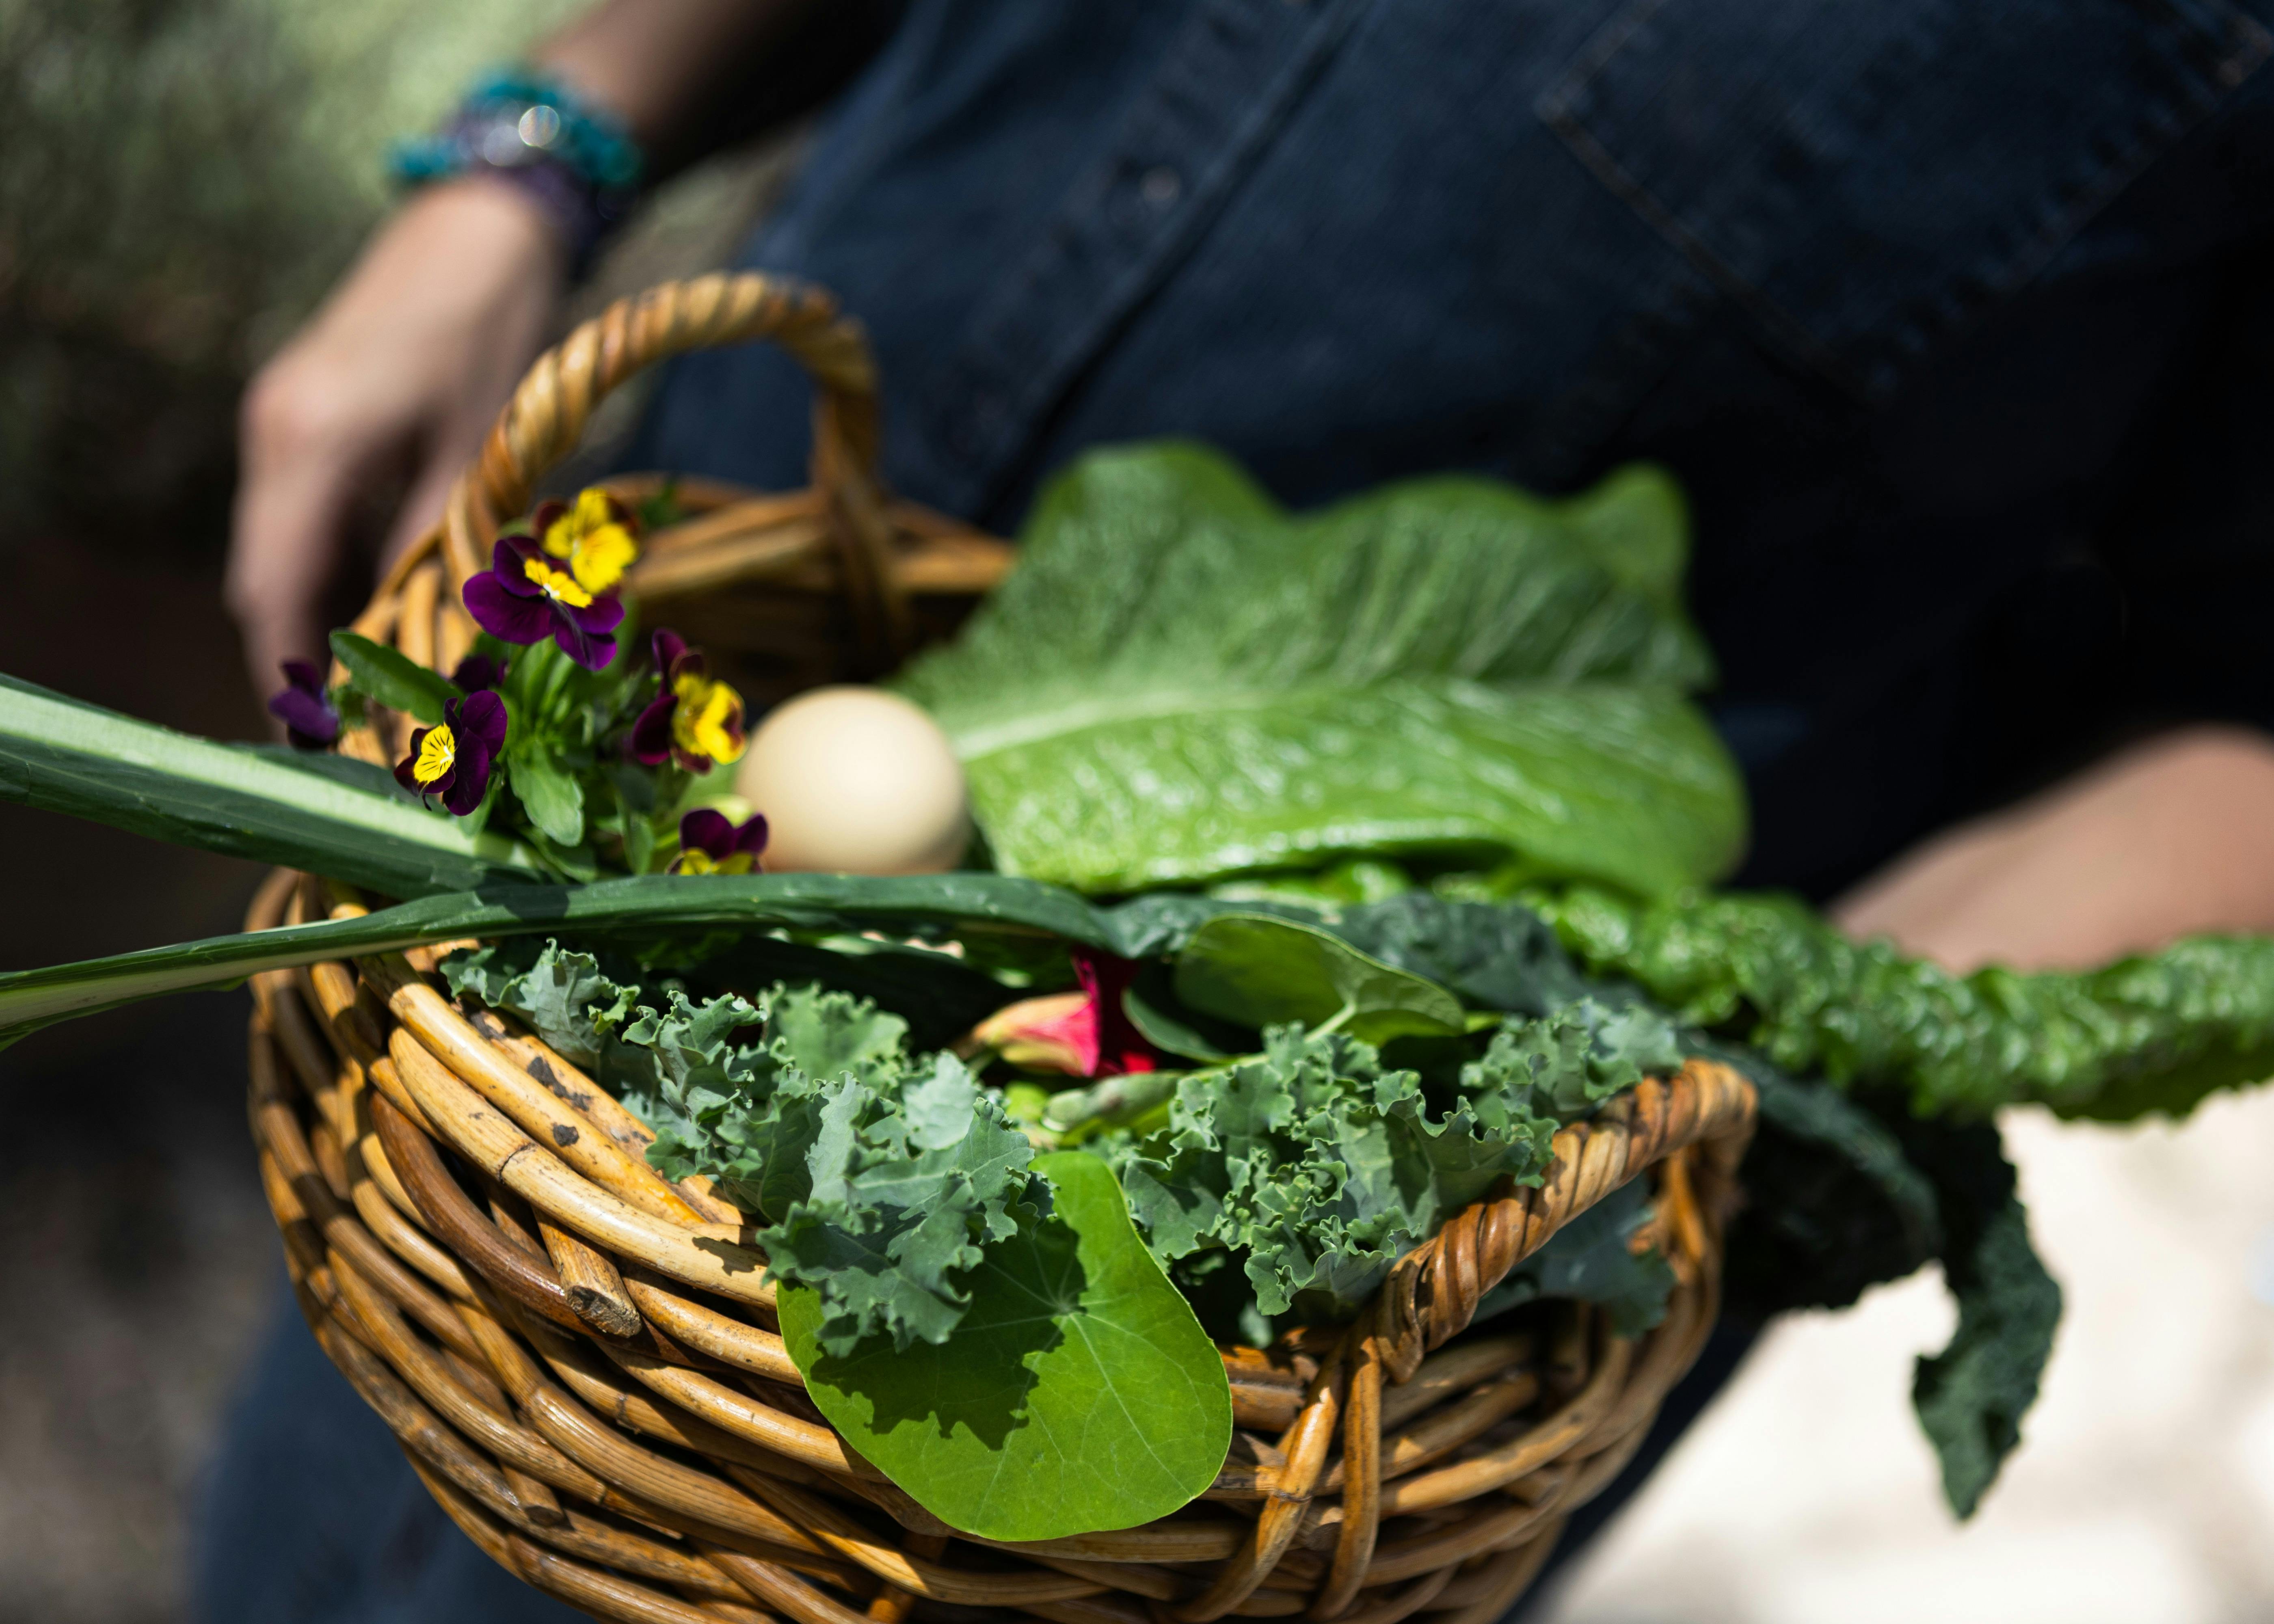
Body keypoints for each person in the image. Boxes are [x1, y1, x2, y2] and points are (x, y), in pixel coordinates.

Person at [208, 1, 2274, 1618]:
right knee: (314, 1527)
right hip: (643, 819)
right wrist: (542, 149)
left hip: (1312, 1370)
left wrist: (1691, 1108)